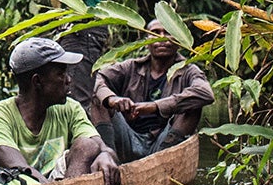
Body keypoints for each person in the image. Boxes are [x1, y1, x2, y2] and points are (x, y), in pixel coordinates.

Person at [0, 35, 121, 185]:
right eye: (60, 74)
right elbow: (18, 167)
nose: (68, 80)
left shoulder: (70, 108)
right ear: (37, 81)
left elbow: (101, 147)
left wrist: (106, 155)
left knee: (87, 145)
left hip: (62, 184)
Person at [92, 18, 215, 161]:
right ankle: (109, 157)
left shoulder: (189, 70)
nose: (162, 38)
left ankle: (162, 161)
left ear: (179, 40)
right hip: (129, 136)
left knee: (193, 106)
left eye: (168, 33)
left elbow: (206, 93)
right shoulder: (130, 67)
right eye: (155, 33)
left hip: (165, 142)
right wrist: (113, 100)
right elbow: (98, 80)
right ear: (146, 40)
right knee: (98, 99)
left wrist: (154, 106)